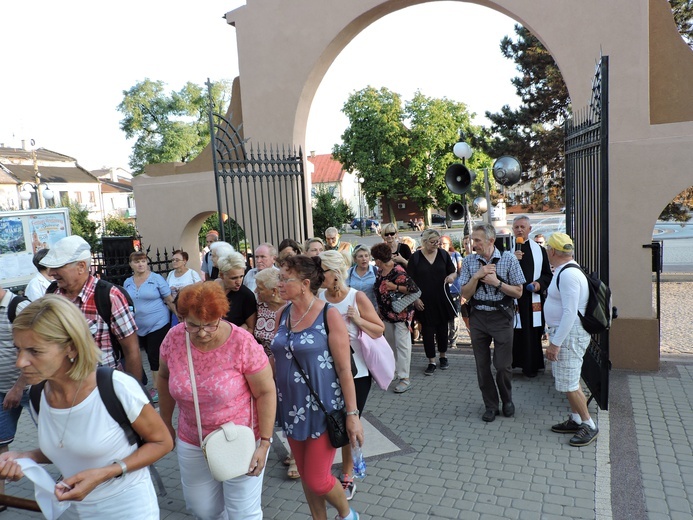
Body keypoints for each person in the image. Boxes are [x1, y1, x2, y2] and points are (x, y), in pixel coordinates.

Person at [2, 295, 173, 518]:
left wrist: (106, 473)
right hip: (71, 510)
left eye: (35, 351)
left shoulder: (116, 388)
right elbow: (70, 448)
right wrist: (26, 457)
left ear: (71, 348)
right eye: (18, 349)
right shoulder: (38, 395)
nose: (20, 362)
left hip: (127, 509)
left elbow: (162, 442)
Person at [158, 282, 277, 519]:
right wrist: (165, 423)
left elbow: (266, 391)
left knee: (243, 512)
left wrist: (264, 443)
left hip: (238, 439)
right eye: (192, 325)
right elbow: (163, 376)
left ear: (221, 316)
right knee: (202, 508)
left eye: (210, 325)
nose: (202, 333)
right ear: (181, 318)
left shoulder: (242, 342)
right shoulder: (174, 338)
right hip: (192, 438)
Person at [271, 255, 363, 520]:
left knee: (317, 479)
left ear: (304, 283)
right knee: (305, 474)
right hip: (290, 408)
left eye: (284, 278)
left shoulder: (328, 315)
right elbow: (275, 357)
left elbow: (345, 369)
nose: (279, 283)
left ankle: (347, 514)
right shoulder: (283, 313)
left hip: (323, 409)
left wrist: (352, 415)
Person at [319, 251, 384, 501]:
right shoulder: (318, 297)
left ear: (335, 273)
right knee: (330, 422)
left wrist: (357, 321)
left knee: (349, 421)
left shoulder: (356, 297)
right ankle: (325, 469)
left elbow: (379, 330)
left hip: (357, 371)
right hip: (327, 370)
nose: (317, 275)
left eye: (321, 270)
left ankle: (347, 475)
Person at [40, 235, 142, 381]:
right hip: (64, 387)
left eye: (58, 267)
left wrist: (133, 395)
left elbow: (131, 350)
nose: (50, 273)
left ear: (81, 266)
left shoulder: (109, 296)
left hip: (102, 388)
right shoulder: (52, 295)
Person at [460, 223, 525, 422]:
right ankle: (490, 405)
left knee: (503, 365)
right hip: (478, 316)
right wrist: (477, 276)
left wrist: (497, 282)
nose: (473, 244)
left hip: (501, 316)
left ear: (491, 240)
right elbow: (464, 293)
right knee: (482, 365)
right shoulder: (469, 261)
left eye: (477, 240)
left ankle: (507, 399)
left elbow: (519, 292)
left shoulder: (508, 260)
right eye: (472, 240)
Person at [544, 233, 598, 447]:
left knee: (569, 382)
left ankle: (589, 424)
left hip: (569, 335)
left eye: (548, 249)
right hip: (565, 333)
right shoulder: (565, 271)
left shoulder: (568, 275)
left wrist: (555, 343)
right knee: (569, 380)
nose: (547, 252)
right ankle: (576, 420)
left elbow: (570, 313)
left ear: (553, 251)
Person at [124, 251, 176, 403]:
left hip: (158, 322)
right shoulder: (128, 282)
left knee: (154, 355)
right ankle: (161, 382)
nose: (140, 264)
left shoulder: (156, 279)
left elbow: (168, 299)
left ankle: (158, 389)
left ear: (147, 263)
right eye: (136, 261)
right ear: (131, 264)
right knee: (146, 353)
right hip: (139, 326)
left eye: (143, 261)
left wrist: (179, 315)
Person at [370, 242, 419, 394]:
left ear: (379, 259)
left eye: (375, 259)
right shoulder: (380, 271)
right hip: (386, 315)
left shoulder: (398, 271)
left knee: (402, 346)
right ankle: (395, 372)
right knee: (391, 345)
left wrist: (395, 287)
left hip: (401, 315)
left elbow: (414, 289)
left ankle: (405, 378)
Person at [407, 229, 457, 375]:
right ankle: (431, 361)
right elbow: (409, 281)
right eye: (433, 242)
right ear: (424, 242)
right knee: (427, 331)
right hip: (423, 300)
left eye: (438, 242)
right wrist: (415, 298)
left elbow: (452, 271)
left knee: (442, 329)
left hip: (442, 298)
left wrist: (452, 277)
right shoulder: (416, 257)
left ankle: (443, 356)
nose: (436, 244)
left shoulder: (443, 254)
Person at [511, 216, 553, 378]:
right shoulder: (508, 250)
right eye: (516, 227)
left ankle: (531, 367)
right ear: (513, 230)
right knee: (514, 332)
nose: (519, 230)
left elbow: (547, 275)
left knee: (532, 332)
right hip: (513, 298)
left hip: (532, 298)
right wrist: (513, 259)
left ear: (529, 229)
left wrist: (539, 284)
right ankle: (514, 364)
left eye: (522, 227)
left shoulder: (539, 250)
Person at [0, 287, 31, 503]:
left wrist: (19, 387)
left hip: (31, 387)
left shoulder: (18, 306)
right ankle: (2, 499)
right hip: (1, 389)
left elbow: (35, 348)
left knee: (58, 440)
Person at [216, 253, 257, 332]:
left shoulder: (246, 295)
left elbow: (251, 328)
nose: (239, 282)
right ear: (221, 275)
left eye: (241, 276)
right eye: (233, 278)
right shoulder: (210, 290)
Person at [166, 250, 202, 325]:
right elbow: (166, 291)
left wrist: (186, 289)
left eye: (177, 260)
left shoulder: (192, 273)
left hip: (191, 308)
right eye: (173, 260)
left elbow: (200, 289)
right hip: (176, 308)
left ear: (184, 261)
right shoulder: (170, 274)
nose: (174, 262)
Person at [440, 235, 463, 349]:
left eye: (444, 243)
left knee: (454, 317)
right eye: (440, 243)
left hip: (454, 290)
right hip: (440, 291)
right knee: (442, 317)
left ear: (449, 245)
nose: (441, 245)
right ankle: (442, 340)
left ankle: (453, 341)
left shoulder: (455, 255)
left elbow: (460, 271)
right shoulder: (435, 256)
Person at [346, 245, 378, 310]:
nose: (364, 259)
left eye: (366, 256)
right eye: (360, 256)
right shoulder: (349, 273)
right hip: (355, 310)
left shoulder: (377, 271)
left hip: (373, 310)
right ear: (355, 259)